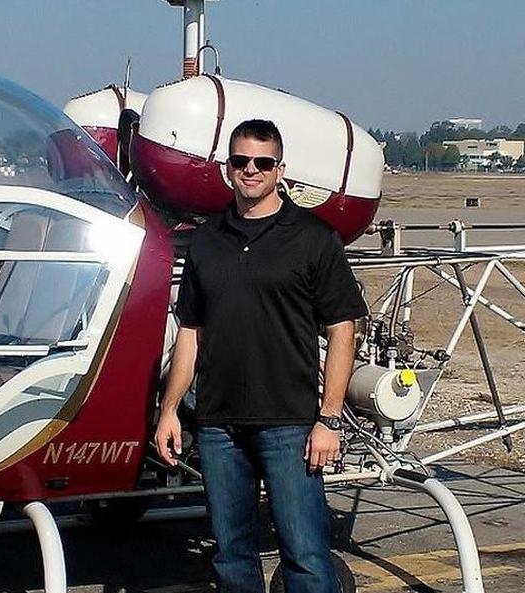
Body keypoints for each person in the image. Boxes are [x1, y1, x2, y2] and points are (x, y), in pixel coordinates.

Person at [155, 119, 368, 593]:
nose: (251, 170)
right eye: (241, 161)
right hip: (218, 426)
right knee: (231, 556)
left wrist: (329, 419)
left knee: (306, 556)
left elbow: (342, 330)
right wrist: (169, 410)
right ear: (228, 168)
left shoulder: (313, 237)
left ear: (280, 170)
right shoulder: (207, 240)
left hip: (288, 424)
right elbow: (190, 331)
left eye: (263, 162)